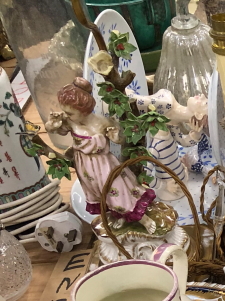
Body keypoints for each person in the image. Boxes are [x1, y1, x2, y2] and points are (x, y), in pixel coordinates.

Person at [45, 78, 157, 232]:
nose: (66, 115)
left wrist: (114, 136)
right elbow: (55, 129)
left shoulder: (102, 123)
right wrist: (52, 124)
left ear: (83, 109)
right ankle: (120, 216)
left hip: (104, 165)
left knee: (116, 191)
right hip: (85, 166)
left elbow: (119, 140)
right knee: (100, 194)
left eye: (70, 112)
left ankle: (142, 219)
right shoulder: (70, 121)